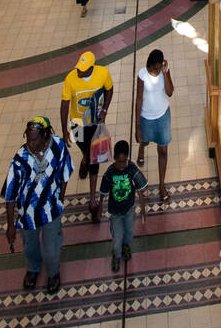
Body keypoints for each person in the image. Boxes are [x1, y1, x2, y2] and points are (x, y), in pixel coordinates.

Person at [2, 116, 73, 293]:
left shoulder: (58, 147)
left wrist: (61, 196)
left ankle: (53, 273)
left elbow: (65, 171)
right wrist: (10, 225)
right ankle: (33, 269)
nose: (30, 143)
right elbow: (10, 194)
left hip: (51, 211)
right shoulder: (20, 159)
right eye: (27, 138)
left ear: (44, 136)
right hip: (28, 214)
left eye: (33, 139)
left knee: (51, 248)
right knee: (30, 247)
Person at [60, 51, 113, 221]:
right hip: (77, 123)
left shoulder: (103, 73)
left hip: (95, 123)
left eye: (82, 70)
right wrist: (64, 130)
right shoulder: (70, 79)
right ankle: (84, 158)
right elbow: (64, 104)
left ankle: (92, 200)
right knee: (84, 149)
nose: (79, 72)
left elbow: (109, 90)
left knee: (94, 161)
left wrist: (104, 109)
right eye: (78, 68)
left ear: (91, 68)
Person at [99, 140, 148, 273]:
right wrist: (99, 208)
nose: (121, 165)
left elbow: (139, 189)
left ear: (127, 158)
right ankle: (116, 253)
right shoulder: (110, 173)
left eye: (124, 161)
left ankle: (126, 245)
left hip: (129, 209)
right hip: (115, 212)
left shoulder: (131, 169)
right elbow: (103, 192)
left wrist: (143, 208)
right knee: (117, 236)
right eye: (119, 162)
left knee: (129, 231)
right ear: (114, 158)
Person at [135, 48, 174, 202]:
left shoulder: (164, 71)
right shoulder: (142, 75)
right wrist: (137, 126)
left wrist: (164, 73)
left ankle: (161, 184)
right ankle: (141, 149)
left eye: (158, 68)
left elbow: (170, 92)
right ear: (149, 66)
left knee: (163, 150)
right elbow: (139, 99)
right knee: (144, 140)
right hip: (146, 117)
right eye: (154, 68)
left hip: (163, 116)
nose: (156, 71)